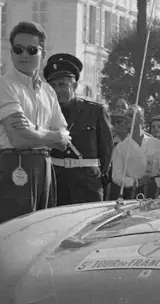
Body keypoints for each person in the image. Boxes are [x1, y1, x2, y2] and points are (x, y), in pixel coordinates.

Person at [0, 21, 70, 226]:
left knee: (42, 231)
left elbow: (64, 136)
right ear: (11, 52)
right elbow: (18, 138)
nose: (24, 54)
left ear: (42, 53)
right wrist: (50, 136)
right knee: (13, 232)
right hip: (15, 163)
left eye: (32, 50)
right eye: (18, 49)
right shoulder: (3, 86)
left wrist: (34, 131)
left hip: (44, 164)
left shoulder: (48, 91)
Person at [44, 53, 113, 205]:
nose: (57, 90)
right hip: (56, 185)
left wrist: (98, 180)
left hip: (87, 186)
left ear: (74, 86)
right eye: (53, 85)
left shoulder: (95, 111)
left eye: (62, 84)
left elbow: (106, 152)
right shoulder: (44, 113)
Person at [109, 106, 160, 199]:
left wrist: (158, 182)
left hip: (154, 194)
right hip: (132, 195)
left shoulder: (155, 142)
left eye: (131, 115)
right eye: (125, 116)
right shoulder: (120, 147)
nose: (127, 118)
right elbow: (116, 176)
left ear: (141, 119)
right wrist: (135, 182)